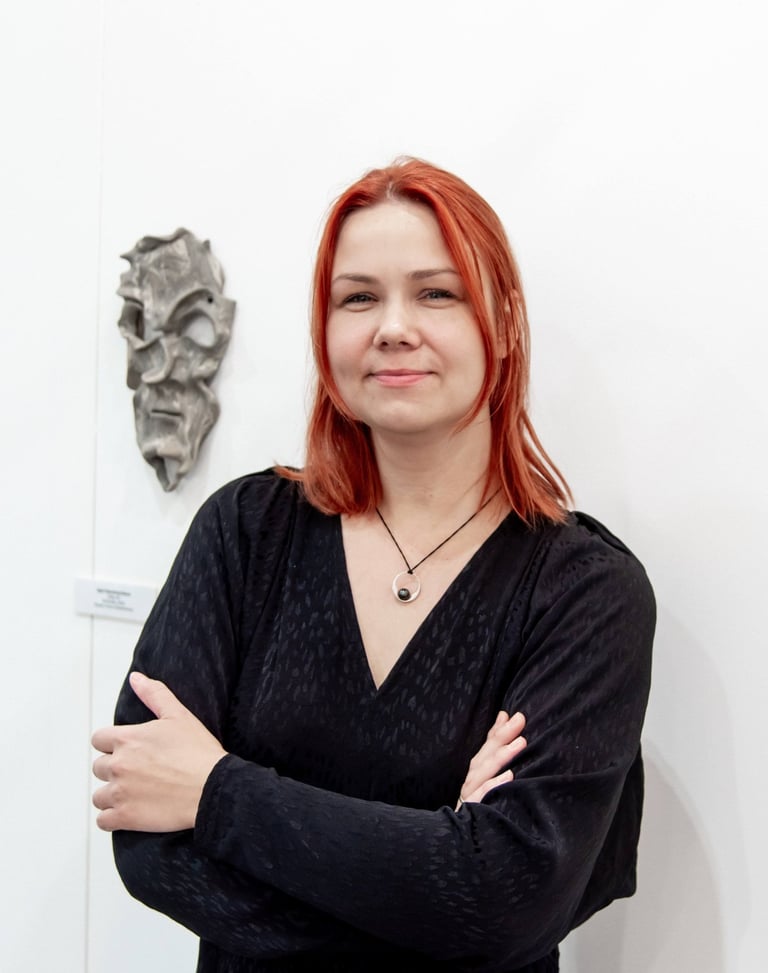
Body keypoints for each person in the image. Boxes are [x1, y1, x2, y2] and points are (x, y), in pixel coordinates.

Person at [92, 158, 655, 973]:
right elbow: (149, 842)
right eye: (358, 297)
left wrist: (215, 791)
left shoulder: (585, 592)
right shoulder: (246, 533)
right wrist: (442, 873)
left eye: (437, 293)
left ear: (503, 321)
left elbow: (507, 901)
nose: (393, 326)